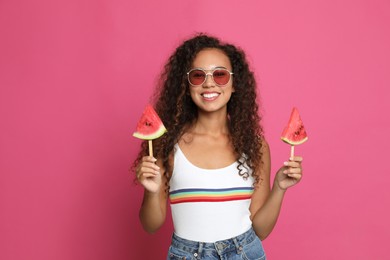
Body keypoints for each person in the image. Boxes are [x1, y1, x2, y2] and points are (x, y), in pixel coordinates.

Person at [133, 34, 303, 260]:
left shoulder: (256, 146)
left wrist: (280, 188)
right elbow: (151, 225)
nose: (209, 83)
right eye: (198, 75)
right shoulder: (167, 145)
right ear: (186, 85)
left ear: (235, 85)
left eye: (220, 75)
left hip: (245, 253)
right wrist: (151, 191)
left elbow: (261, 229)